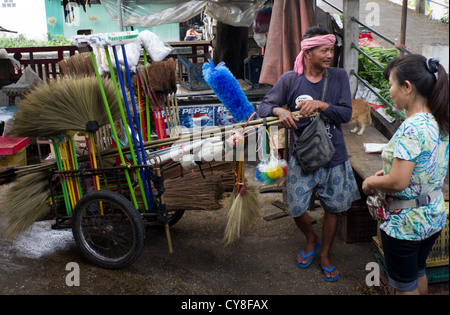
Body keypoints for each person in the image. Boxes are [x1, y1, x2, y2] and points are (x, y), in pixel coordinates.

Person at [257, 26, 360, 282]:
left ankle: (325, 254)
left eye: (332, 50)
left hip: (333, 155)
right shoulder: (291, 79)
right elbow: (263, 106)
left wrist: (323, 105)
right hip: (302, 156)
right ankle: (310, 237)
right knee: (295, 205)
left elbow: (346, 114)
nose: (329, 55)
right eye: (324, 50)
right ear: (307, 52)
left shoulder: (337, 77)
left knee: (332, 209)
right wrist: (279, 112)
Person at [362, 54, 449, 295]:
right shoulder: (438, 119)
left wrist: (371, 181)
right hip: (432, 215)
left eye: (391, 84)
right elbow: (423, 165)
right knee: (418, 271)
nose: (389, 90)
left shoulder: (411, 127)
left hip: (406, 223)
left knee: (404, 285)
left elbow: (399, 181)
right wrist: (389, 172)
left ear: (407, 87)